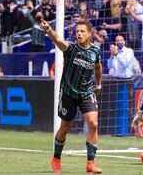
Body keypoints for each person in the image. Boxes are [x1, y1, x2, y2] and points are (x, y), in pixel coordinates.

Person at [39, 19, 103, 174]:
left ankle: (90, 163)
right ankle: (56, 158)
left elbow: (98, 67)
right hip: (68, 92)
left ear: (89, 33)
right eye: (77, 31)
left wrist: (99, 84)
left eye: (82, 31)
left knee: (93, 124)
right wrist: (48, 29)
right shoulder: (71, 48)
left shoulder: (95, 51)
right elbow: (58, 40)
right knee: (65, 126)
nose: (79, 34)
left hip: (86, 92)